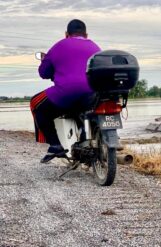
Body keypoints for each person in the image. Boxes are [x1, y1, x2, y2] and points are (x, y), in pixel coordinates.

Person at [30, 19, 101, 163]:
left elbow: (43, 73)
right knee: (81, 110)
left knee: (35, 103)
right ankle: (85, 139)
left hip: (66, 95)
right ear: (86, 35)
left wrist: (47, 62)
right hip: (92, 95)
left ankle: (55, 145)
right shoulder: (95, 47)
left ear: (66, 34)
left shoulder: (59, 46)